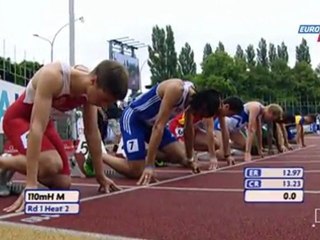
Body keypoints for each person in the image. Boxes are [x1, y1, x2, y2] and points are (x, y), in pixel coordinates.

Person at [0, 60, 128, 212]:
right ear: (93, 81)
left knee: (63, 183)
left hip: (45, 123)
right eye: (105, 100)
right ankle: (4, 162)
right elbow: (36, 127)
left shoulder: (90, 91)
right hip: (19, 119)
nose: (104, 106)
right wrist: (31, 184)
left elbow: (92, 132)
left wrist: (100, 176)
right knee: (51, 163)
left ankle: (9, 167)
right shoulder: (53, 76)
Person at [102, 79, 222, 185]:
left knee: (183, 158)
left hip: (151, 125)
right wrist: (149, 166)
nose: (198, 116)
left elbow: (188, 129)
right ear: (202, 104)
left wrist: (190, 159)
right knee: (137, 171)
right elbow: (158, 127)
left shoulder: (193, 102)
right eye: (199, 113)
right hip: (134, 119)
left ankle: (140, 153)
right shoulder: (176, 90)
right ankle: (99, 156)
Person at [168, 96, 244, 168]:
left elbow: (224, 131)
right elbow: (209, 132)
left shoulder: (221, 111)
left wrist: (228, 155)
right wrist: (212, 157)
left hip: (193, 129)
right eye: (230, 114)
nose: (230, 117)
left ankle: (190, 151)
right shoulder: (212, 107)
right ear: (226, 107)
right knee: (186, 159)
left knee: (216, 144)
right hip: (179, 126)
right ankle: (169, 155)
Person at [214, 101, 283, 162]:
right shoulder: (256, 107)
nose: (269, 120)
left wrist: (260, 149)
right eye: (271, 118)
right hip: (221, 126)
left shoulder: (260, 113)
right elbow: (251, 130)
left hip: (234, 130)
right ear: (270, 112)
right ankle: (213, 150)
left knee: (245, 145)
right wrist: (247, 153)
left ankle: (226, 146)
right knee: (222, 155)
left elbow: (259, 132)